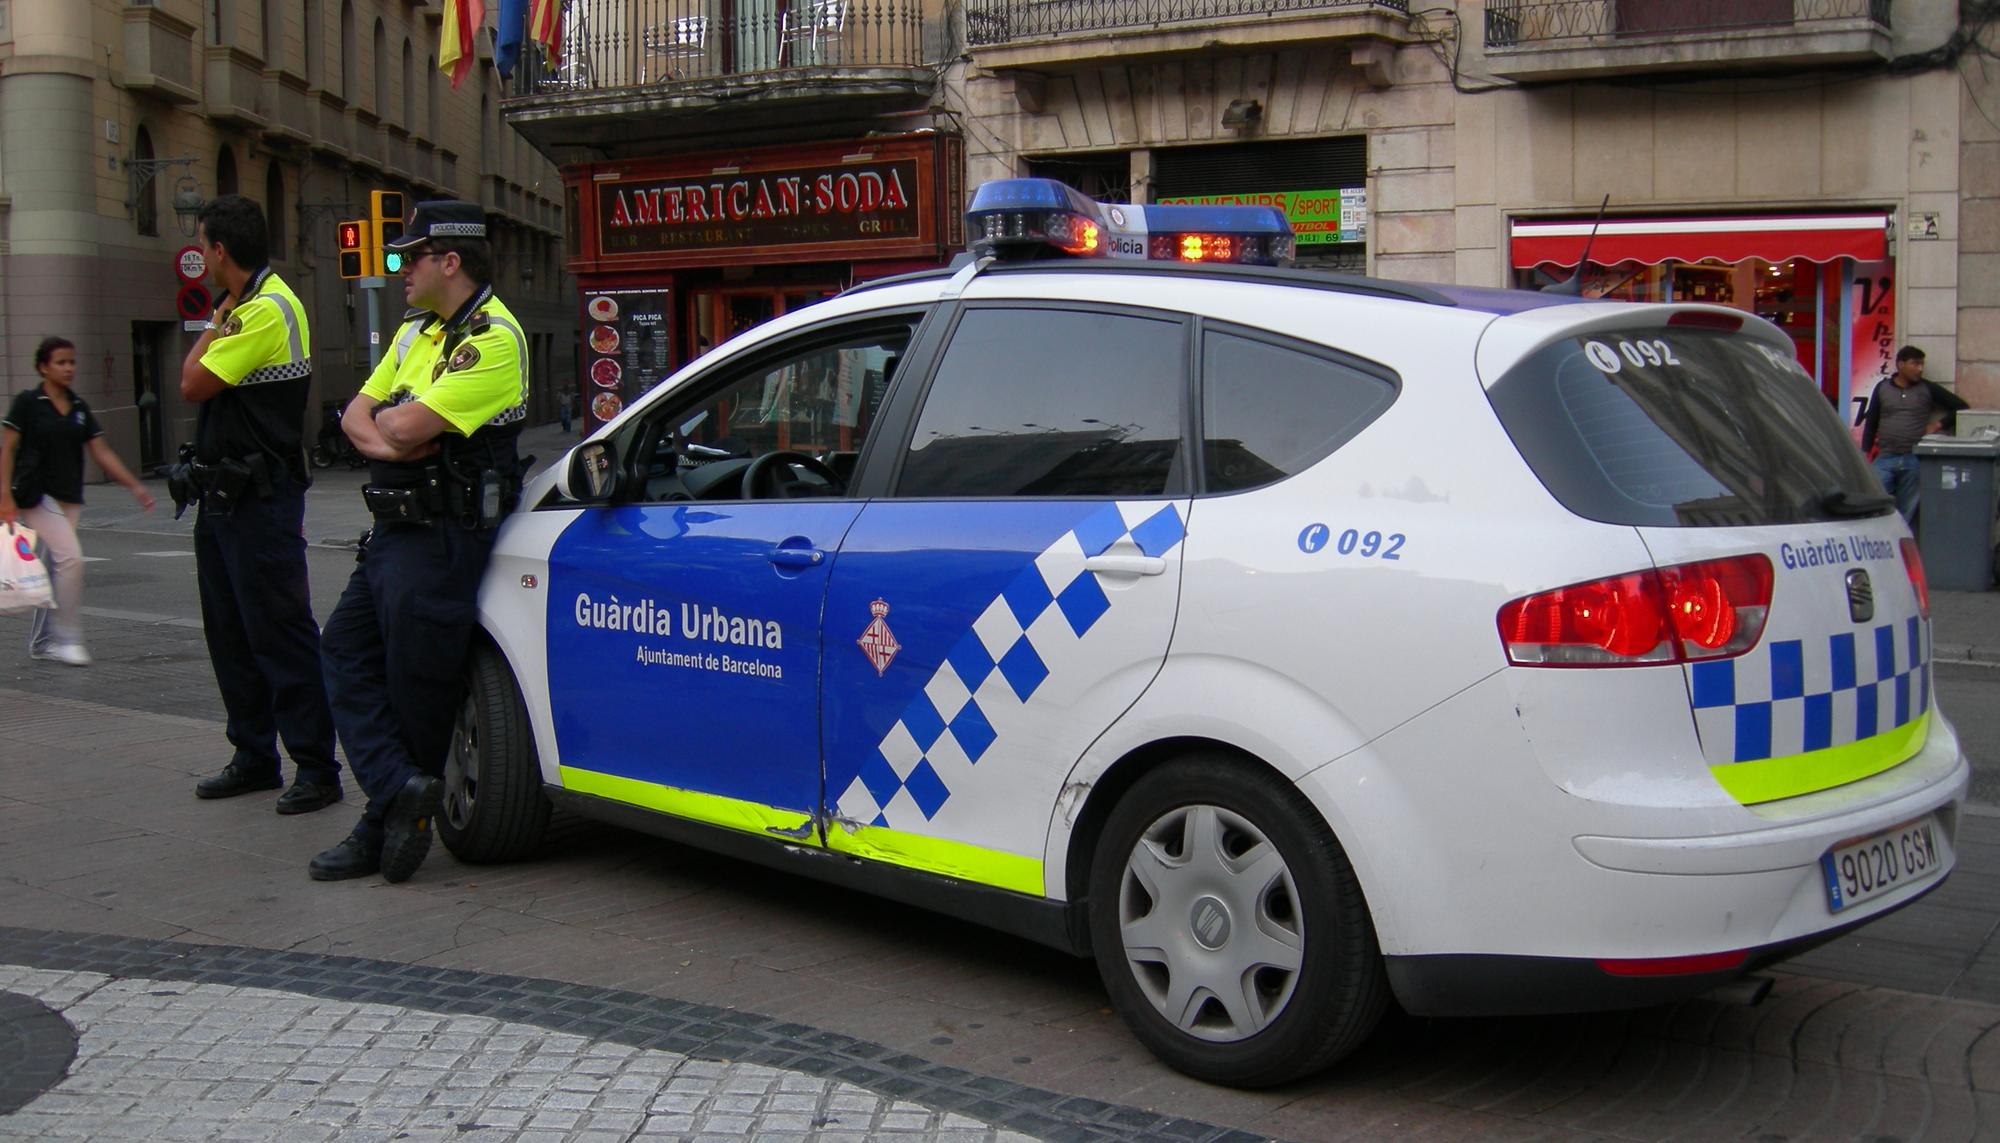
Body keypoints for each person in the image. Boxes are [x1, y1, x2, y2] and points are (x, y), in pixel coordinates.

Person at [311, 200, 530, 883]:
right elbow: (357, 416)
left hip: (442, 537)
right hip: (392, 530)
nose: (400, 268)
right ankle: (395, 789)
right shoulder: (415, 331)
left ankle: (386, 817)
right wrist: (394, 432)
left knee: (416, 688)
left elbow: (400, 430)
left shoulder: (494, 339)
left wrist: (394, 433)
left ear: (451, 261)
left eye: (411, 257)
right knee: (342, 649)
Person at [180, 194, 342, 815]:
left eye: (202, 247)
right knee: (230, 633)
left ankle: (315, 766)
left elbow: (191, 382)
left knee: (279, 632)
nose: (199, 257)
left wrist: (215, 322)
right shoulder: (246, 305)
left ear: (220, 252)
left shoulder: (266, 309)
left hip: (260, 500)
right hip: (223, 497)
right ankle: (253, 755)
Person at [0, 337, 157, 664]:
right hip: (36, 495)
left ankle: (42, 641)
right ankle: (67, 638)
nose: (68, 368)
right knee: (71, 558)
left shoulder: (79, 408)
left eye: (71, 362)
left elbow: (102, 452)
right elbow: (8, 449)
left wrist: (134, 486)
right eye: (60, 362)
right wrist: (4, 496)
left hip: (69, 497)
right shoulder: (28, 403)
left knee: (55, 567)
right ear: (43, 367)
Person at [1861, 345, 1967, 522]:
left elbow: (1961, 406)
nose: (1920, 369)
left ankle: (1902, 542)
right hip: (1886, 457)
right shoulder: (1882, 388)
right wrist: (1865, 451)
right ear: (1901, 365)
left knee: (1907, 510)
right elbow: (1871, 421)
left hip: (1914, 458)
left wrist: (1938, 424)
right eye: (1915, 364)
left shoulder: (1927, 388)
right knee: (1876, 504)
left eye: (1921, 364)